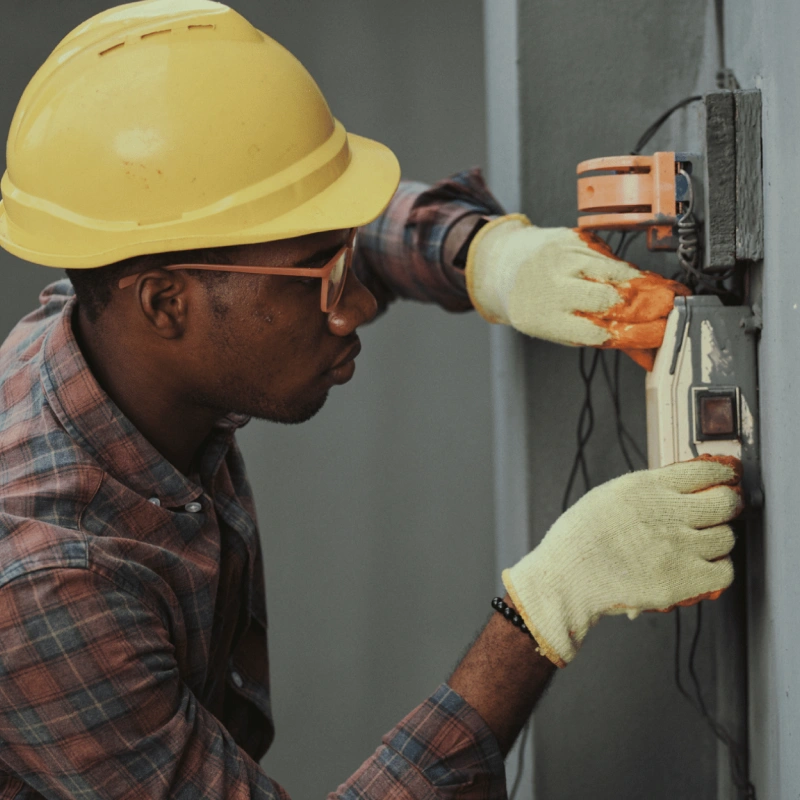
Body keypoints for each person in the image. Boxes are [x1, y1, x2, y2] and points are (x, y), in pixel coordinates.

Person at [0, 1, 742, 797]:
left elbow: (292, 232)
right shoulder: (47, 587)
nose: (353, 306)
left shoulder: (108, 308)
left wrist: (485, 256)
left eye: (344, 258)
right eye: (322, 277)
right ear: (165, 304)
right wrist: (544, 610)